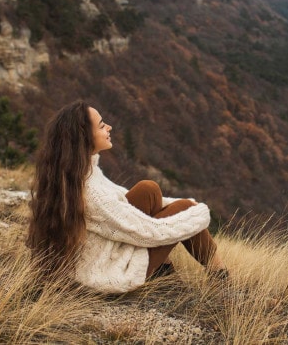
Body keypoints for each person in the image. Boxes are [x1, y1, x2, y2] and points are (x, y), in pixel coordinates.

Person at [27, 100, 228, 293]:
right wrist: (196, 213)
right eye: (101, 125)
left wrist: (177, 205)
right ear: (85, 137)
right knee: (185, 209)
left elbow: (119, 198)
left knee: (147, 189)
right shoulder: (91, 193)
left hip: (97, 257)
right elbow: (150, 232)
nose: (109, 127)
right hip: (106, 271)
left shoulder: (75, 172)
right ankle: (221, 278)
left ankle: (163, 271)